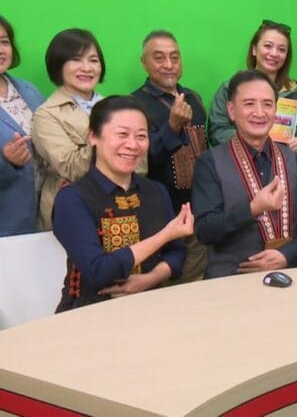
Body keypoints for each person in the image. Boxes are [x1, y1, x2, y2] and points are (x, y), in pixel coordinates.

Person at [52, 96, 193, 312]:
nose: (132, 145)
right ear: (93, 136)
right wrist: (165, 234)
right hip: (89, 314)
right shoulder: (72, 198)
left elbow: (176, 253)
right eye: (122, 134)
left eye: (141, 136)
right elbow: (99, 271)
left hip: (151, 308)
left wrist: (150, 278)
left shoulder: (155, 191)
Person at [192, 69, 297, 278]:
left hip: (287, 278)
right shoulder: (209, 163)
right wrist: (253, 208)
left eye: (267, 104)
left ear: (276, 110)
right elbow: (205, 231)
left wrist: (286, 256)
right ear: (231, 110)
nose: (260, 113)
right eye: (249, 104)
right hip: (229, 282)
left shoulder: (296, 162)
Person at [131, 30, 208, 283]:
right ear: (144, 62)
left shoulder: (194, 98)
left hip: (198, 211)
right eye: (159, 58)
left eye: (175, 57)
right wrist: (172, 127)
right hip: (159, 215)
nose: (169, 65)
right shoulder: (135, 104)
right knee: (163, 283)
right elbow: (142, 160)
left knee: (195, 282)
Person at [207, 20, 297, 157]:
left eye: (282, 49)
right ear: (254, 49)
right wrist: (251, 142)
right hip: (238, 163)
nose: (274, 53)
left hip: (284, 163)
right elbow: (217, 130)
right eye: (268, 46)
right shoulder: (230, 88)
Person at [32, 28, 106, 230]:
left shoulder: (114, 107)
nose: (87, 68)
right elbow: (71, 168)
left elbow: (140, 166)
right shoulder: (46, 114)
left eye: (93, 60)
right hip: (70, 208)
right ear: (58, 65)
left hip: (117, 205)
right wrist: (109, 138)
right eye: (76, 60)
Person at [0, 15, 45, 237]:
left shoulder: (29, 90)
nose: (0, 50)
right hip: (7, 222)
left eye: (4, 42)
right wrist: (6, 162)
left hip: (43, 216)